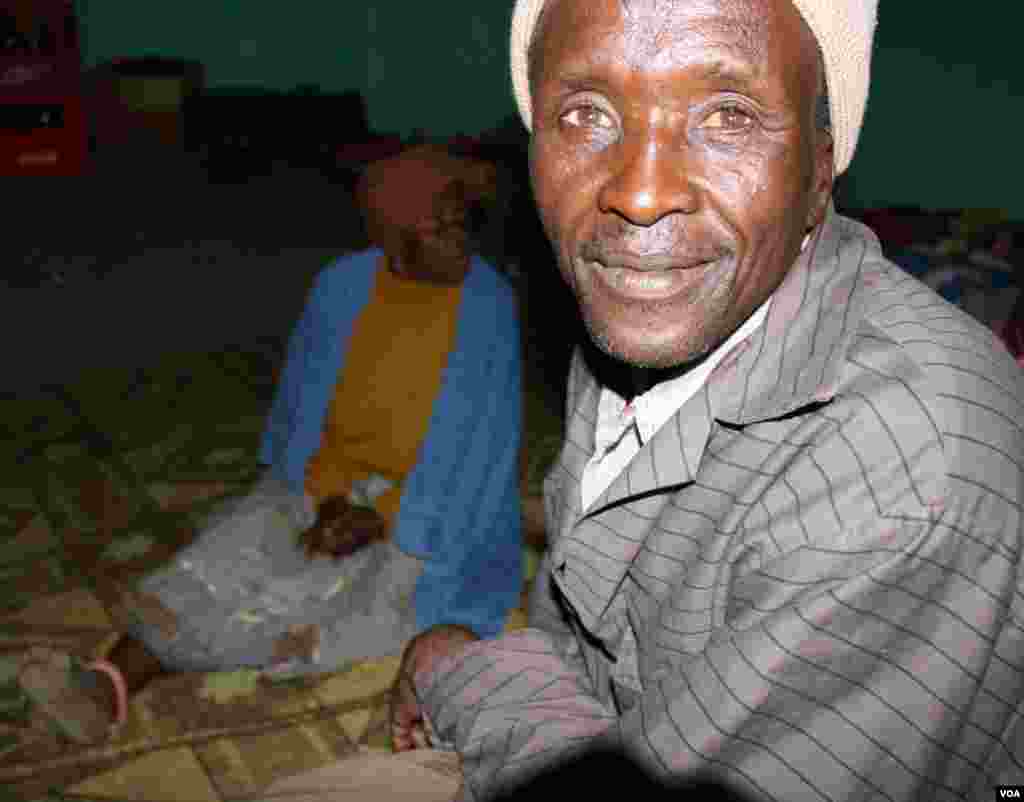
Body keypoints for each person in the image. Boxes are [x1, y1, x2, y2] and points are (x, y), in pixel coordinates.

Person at [366, 0, 1023, 799]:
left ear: (823, 167)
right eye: (586, 113)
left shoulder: (904, 474)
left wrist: (458, 670)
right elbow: (586, 640)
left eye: (728, 116)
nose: (640, 194)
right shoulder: (655, 320)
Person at [14, 145, 524, 747]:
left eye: (461, 216)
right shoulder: (342, 289)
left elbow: (480, 458)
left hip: (435, 509)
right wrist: (332, 496)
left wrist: (381, 516)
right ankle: (109, 675)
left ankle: (130, 677)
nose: (457, 235)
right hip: (328, 482)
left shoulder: (488, 308)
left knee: (343, 598)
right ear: (390, 236)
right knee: (235, 542)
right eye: (434, 223)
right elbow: (309, 415)